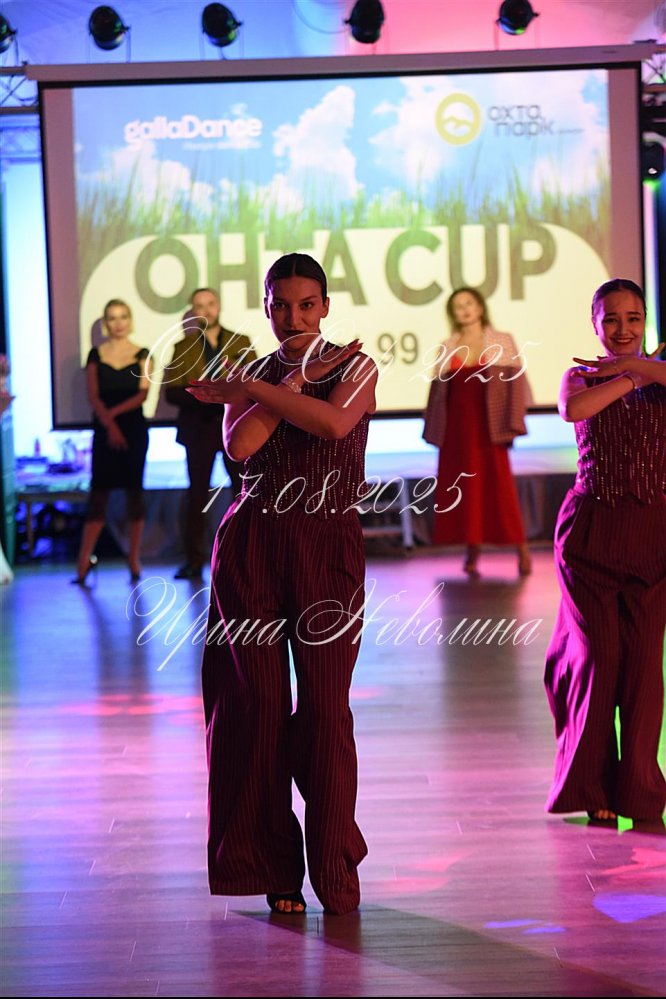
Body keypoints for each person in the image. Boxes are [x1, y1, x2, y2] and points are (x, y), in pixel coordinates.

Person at [187, 253, 378, 915]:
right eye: (281, 306)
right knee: (256, 709)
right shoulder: (255, 375)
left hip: (326, 547)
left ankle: (333, 863)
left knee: (324, 712)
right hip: (252, 547)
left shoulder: (357, 367)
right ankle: (270, 865)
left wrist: (261, 387)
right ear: (267, 307)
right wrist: (287, 380)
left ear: (325, 305)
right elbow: (242, 447)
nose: (293, 318)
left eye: (306, 305)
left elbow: (331, 423)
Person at [544, 278, 666, 825]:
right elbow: (574, 409)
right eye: (611, 319)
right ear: (595, 325)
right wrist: (631, 373)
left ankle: (639, 794)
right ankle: (592, 787)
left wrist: (639, 369)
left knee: (643, 670)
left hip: (653, 539)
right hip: (590, 537)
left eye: (633, 318)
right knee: (600, 659)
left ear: (645, 321)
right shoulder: (581, 375)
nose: (622, 329)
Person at [423, 287, 532, 577]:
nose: (464, 310)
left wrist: (513, 424)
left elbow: (517, 386)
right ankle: (471, 554)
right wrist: (434, 431)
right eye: (458, 306)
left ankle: (522, 550)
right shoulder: (447, 346)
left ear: (480, 307)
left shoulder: (502, 340)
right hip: (457, 431)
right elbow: (437, 395)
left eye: (469, 303)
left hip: (490, 429)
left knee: (500, 489)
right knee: (465, 490)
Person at [164, 287, 256, 580]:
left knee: (243, 491)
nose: (206, 310)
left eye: (210, 304)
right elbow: (171, 393)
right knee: (197, 495)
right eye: (199, 305)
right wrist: (210, 395)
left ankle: (246, 554)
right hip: (199, 428)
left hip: (235, 426)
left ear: (219, 305)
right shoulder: (183, 347)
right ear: (193, 311)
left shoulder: (241, 341)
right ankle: (194, 560)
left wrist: (219, 394)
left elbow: (256, 382)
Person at [72, 299, 150, 584]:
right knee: (99, 495)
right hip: (105, 430)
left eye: (123, 317)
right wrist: (110, 424)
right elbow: (93, 395)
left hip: (133, 430)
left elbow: (143, 394)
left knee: (134, 494)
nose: (118, 323)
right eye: (112, 318)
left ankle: (134, 559)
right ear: (106, 323)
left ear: (130, 321)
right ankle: (83, 561)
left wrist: (114, 418)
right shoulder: (96, 354)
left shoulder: (142, 353)